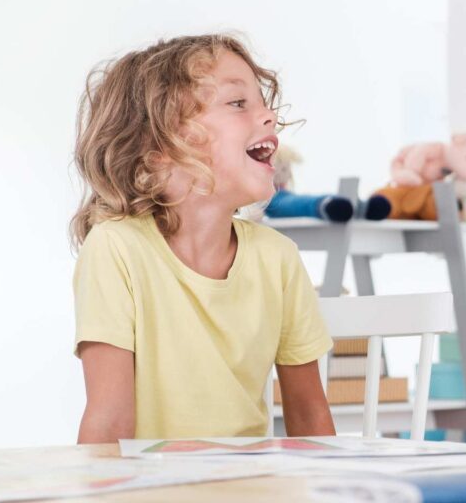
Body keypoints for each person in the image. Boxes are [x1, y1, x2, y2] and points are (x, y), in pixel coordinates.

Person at [71, 35, 335, 442]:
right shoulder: (117, 249)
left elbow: (310, 415)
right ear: (157, 147)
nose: (268, 116)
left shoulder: (278, 258)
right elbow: (109, 421)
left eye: (263, 103)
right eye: (237, 103)